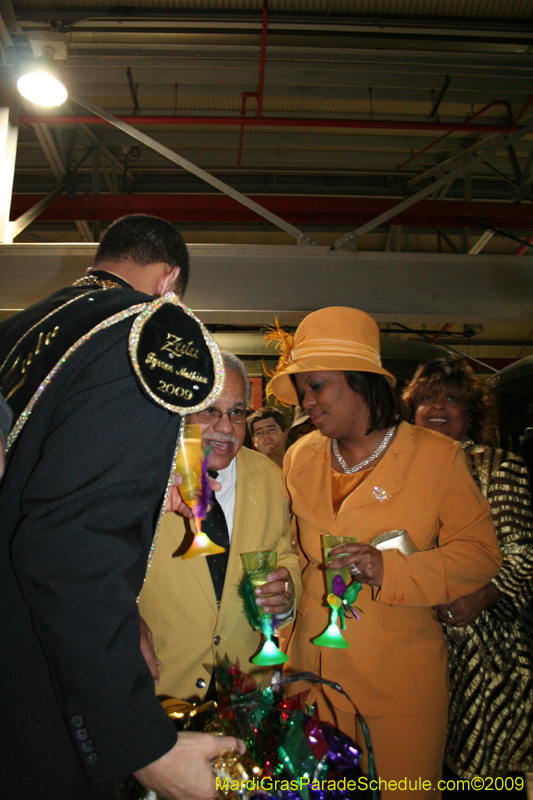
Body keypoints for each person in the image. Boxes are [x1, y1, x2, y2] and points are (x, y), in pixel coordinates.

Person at [0, 215, 244, 800]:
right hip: (43, 687)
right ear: (171, 283)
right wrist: (141, 744)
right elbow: (70, 549)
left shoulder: (20, 330)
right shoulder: (149, 336)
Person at [266, 307, 502, 800]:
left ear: (362, 382)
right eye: (304, 390)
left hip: (399, 685)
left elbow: (481, 554)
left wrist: (388, 569)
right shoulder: (299, 456)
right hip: (309, 676)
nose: (307, 401)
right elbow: (288, 550)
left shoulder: (437, 457)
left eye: (318, 386)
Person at [139, 352, 301, 701]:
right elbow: (96, 565)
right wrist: (124, 621)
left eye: (237, 412)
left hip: (243, 689)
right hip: (156, 687)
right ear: (179, 410)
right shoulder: (139, 475)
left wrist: (285, 594)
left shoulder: (271, 478)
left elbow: (285, 556)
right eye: (209, 410)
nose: (226, 427)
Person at [403, 358, 533, 788]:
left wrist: (480, 597)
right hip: (417, 641)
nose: (438, 407)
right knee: (424, 770)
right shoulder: (401, 470)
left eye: (452, 399)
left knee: (481, 777)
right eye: (427, 398)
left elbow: (523, 555)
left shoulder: (499, 466)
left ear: (471, 413)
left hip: (485, 653)